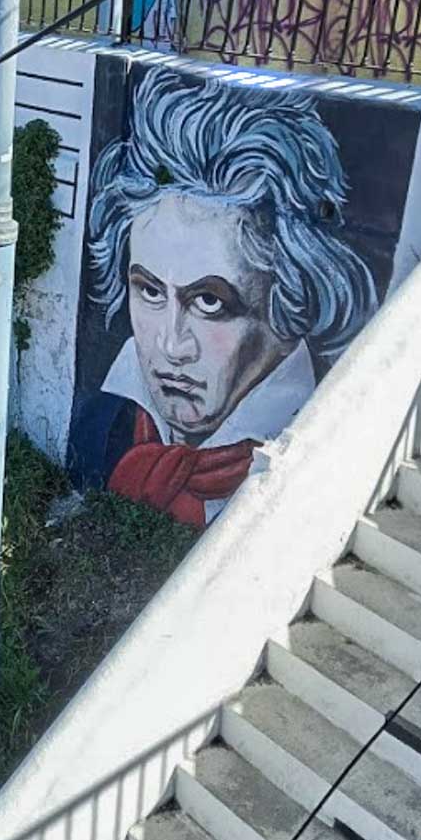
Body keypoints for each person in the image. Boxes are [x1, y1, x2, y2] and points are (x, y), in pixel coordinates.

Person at [70, 66, 378, 528]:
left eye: (209, 301)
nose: (171, 347)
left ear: (289, 303)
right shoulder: (103, 421)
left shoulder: (317, 459)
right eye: (150, 291)